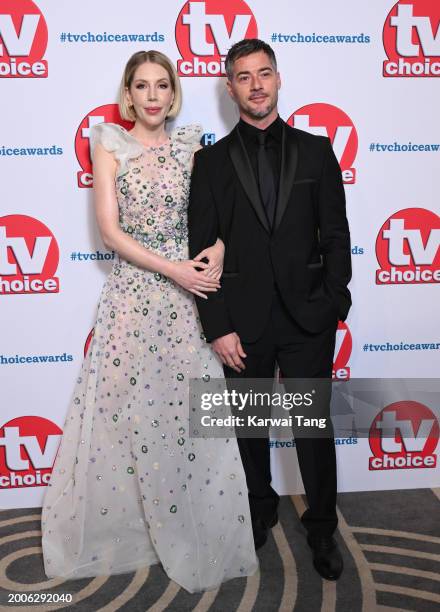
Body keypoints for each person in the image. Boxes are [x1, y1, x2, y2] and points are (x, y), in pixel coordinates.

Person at [41, 50, 258, 593]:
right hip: (136, 295)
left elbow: (220, 215)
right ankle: (127, 529)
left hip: (190, 299)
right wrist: (174, 271)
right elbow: (110, 233)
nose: (154, 96)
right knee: (122, 414)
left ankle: (194, 523)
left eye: (163, 85)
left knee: (189, 413)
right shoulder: (110, 144)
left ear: (173, 92)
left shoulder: (193, 146)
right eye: (143, 86)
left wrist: (221, 253)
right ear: (129, 94)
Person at [188, 39, 352, 581]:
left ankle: (323, 528)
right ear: (229, 86)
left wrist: (334, 303)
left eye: (264, 73)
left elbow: (336, 235)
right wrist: (218, 326)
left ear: (279, 80)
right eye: (243, 76)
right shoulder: (209, 163)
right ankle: (259, 510)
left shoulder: (317, 151)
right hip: (242, 322)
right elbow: (201, 249)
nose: (256, 84)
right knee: (249, 429)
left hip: (309, 319)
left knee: (312, 429)